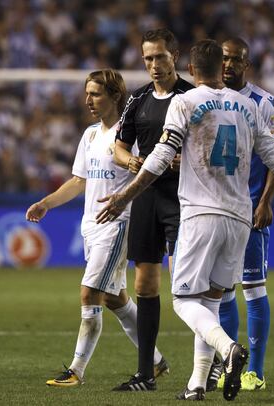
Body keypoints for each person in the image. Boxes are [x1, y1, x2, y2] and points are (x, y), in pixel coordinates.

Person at [95, 40, 274, 401]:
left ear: (191, 70)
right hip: (240, 220)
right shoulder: (248, 107)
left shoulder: (184, 102)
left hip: (202, 214)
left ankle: (228, 349)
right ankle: (197, 384)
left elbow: (159, 158)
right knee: (210, 301)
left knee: (183, 301)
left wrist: (124, 196)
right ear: (222, 68)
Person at [25, 69, 165, 387]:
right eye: (87, 93)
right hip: (92, 227)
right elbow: (78, 181)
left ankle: (76, 370)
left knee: (90, 293)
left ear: (115, 96)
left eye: (96, 94)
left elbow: (146, 176)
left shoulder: (131, 136)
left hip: (118, 224)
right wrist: (46, 203)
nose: (88, 100)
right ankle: (155, 361)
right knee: (115, 298)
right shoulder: (90, 135)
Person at [111, 28, 194, 391]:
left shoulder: (194, 96)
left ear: (174, 56)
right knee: (144, 285)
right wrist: (130, 162)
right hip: (146, 198)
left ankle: (206, 368)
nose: (154, 65)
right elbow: (118, 146)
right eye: (148, 58)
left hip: (183, 198)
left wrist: (185, 161)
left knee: (188, 286)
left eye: (160, 56)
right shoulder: (139, 99)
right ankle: (146, 373)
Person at [206, 37, 274, 392]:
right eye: (224, 58)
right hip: (216, 212)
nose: (229, 65)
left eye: (236, 60)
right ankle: (230, 365)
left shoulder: (264, 102)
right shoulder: (209, 101)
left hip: (250, 211)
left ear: (246, 65)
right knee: (222, 292)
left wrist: (265, 201)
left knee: (253, 289)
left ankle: (256, 371)